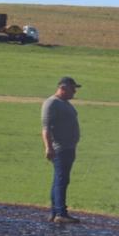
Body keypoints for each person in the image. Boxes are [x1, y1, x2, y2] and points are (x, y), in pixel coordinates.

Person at [41, 76, 82, 224]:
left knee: (60, 179)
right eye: (72, 89)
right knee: (61, 180)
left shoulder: (65, 103)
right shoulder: (52, 103)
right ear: (63, 88)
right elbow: (45, 128)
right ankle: (61, 213)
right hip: (60, 148)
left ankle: (55, 212)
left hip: (68, 147)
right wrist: (48, 147)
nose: (74, 92)